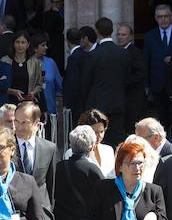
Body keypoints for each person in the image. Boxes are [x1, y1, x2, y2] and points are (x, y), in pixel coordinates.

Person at [81, 17, 129, 146]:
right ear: (112, 31)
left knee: (97, 141)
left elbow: (86, 83)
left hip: (98, 106)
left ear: (97, 32)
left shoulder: (93, 55)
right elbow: (127, 78)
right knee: (118, 142)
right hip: (118, 104)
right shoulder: (123, 53)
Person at [144, 4, 172, 127]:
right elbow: (146, 61)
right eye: (160, 17)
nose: (163, 19)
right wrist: (147, 85)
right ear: (155, 18)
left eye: (166, 16)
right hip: (157, 84)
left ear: (171, 17)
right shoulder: (149, 36)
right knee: (161, 118)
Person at [116, 23, 148, 135]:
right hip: (121, 98)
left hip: (133, 98)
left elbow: (141, 74)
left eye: (123, 35)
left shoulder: (136, 52)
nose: (120, 37)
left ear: (130, 37)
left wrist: (122, 83)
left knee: (131, 127)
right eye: (118, 34)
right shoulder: (116, 51)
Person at [65, 109, 116, 178]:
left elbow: (113, 176)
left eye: (101, 131)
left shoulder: (108, 150)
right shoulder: (71, 153)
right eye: (95, 132)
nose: (99, 136)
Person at [2, 31, 43, 107]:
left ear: (28, 45)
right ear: (13, 44)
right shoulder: (5, 61)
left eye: (23, 42)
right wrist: (12, 91)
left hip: (28, 103)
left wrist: (33, 92)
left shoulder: (34, 62)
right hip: (8, 103)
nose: (20, 45)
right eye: (17, 42)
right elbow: (0, 85)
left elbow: (39, 84)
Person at [63, 27, 94, 115]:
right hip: (87, 101)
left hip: (76, 104)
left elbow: (72, 83)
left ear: (68, 41)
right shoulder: (88, 55)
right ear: (80, 39)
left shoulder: (73, 58)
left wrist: (68, 103)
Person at [32, 33, 63, 118]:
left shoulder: (50, 62)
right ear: (35, 48)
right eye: (43, 45)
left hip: (49, 109)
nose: (46, 47)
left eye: (46, 45)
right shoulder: (27, 63)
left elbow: (60, 85)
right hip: (31, 110)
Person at [41, 0, 66, 73]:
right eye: (52, 2)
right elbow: (47, 28)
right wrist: (55, 14)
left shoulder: (66, 13)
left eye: (57, 2)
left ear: (62, 2)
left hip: (64, 44)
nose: (54, 4)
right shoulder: (48, 14)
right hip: (53, 46)